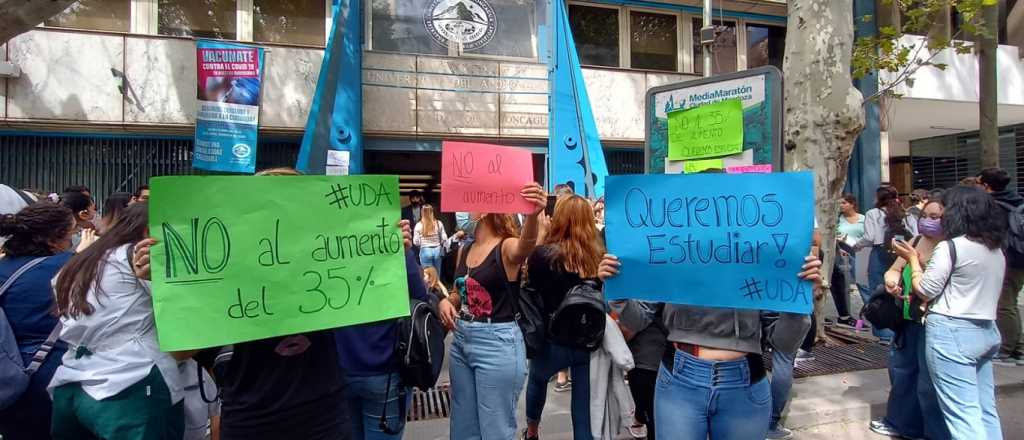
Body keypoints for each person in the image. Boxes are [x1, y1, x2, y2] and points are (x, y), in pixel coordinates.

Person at [597, 255, 822, 440]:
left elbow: (783, 342)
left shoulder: (760, 254)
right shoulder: (673, 252)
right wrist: (619, 291)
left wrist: (797, 303)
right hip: (679, 384)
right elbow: (638, 320)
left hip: (744, 387)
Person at [49, 203, 187, 439]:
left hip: (73, 379)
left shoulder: (77, 263)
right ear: (147, 232)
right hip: (132, 381)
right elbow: (181, 310)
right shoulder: (139, 257)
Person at [893, 186, 1007, 439]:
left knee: (962, 414)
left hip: (952, 332)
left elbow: (925, 289)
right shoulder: (995, 249)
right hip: (987, 330)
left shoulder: (952, 247)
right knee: (985, 409)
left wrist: (913, 259)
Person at [437, 183, 547, 440]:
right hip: (462, 341)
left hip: (497, 343)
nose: (462, 212)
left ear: (485, 210)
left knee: (495, 429)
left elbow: (526, 246)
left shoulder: (506, 246)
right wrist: (446, 302)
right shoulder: (465, 249)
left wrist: (532, 215)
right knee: (463, 428)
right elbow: (459, 291)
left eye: (467, 205)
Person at [867, 198, 950, 440]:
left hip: (931, 321)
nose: (928, 221)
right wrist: (891, 280)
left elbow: (929, 288)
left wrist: (916, 265)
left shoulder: (950, 248)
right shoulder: (914, 241)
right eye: (926, 215)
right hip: (906, 318)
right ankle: (903, 423)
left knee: (928, 381)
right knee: (901, 370)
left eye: (936, 217)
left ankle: (931, 430)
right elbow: (893, 269)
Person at [522, 195, 603, 440]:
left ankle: (533, 430)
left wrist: (542, 236)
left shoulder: (543, 255)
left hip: (550, 339)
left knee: (536, 381)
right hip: (586, 342)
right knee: (583, 407)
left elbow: (530, 285)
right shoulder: (598, 256)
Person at [335, 233, 428, 440]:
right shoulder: (387, 237)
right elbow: (420, 300)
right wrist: (405, 253)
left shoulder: (325, 244)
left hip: (340, 369)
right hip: (384, 372)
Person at [0, 202, 76, 440]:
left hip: (6, 381)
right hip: (53, 375)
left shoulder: (3, 267)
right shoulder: (69, 267)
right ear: (54, 240)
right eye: (72, 234)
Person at [855, 186, 915, 344]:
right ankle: (900, 328)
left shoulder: (872, 214)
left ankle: (883, 332)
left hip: (880, 253)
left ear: (878, 198)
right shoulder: (906, 214)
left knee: (877, 291)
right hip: (903, 253)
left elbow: (869, 237)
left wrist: (856, 245)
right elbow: (915, 235)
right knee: (900, 289)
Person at [977, 168, 1024, 366]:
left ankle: (1006, 349)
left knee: (1004, 305)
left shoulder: (993, 206)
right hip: (1020, 258)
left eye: (980, 183)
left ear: (986, 186)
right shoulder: (1017, 201)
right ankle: (1018, 348)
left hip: (1006, 260)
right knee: (1010, 303)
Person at [613, 300, 666, 440]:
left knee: (656, 423)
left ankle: (640, 416)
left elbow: (633, 324)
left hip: (651, 357)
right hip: (653, 357)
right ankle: (640, 416)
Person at [834, 194, 867, 327]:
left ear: (852, 204)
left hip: (862, 254)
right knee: (844, 285)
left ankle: (868, 314)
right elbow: (833, 235)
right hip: (843, 254)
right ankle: (846, 316)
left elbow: (869, 235)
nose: (841, 206)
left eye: (844, 203)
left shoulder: (863, 219)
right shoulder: (838, 220)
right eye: (840, 203)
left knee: (863, 286)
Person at [414, 204, 462, 276]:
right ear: (432, 212)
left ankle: (428, 287)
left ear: (422, 213)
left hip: (425, 251)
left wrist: (422, 244)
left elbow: (416, 242)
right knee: (437, 274)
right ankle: (437, 287)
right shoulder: (438, 223)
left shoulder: (418, 225)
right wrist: (440, 243)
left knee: (427, 276)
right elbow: (444, 238)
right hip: (437, 251)